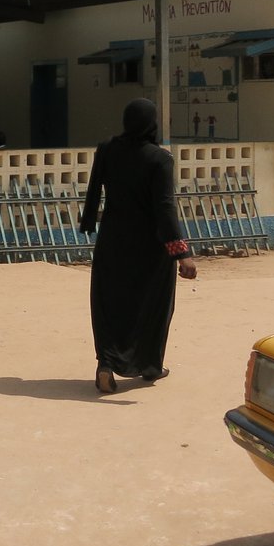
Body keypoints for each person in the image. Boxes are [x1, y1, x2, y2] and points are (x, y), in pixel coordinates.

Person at [79, 99, 197, 394]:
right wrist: (181, 254)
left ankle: (106, 364)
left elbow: (94, 188)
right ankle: (149, 365)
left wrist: (89, 220)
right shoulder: (160, 159)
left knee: (110, 304)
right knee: (153, 305)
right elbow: (165, 210)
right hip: (150, 248)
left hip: (113, 241)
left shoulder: (107, 149)